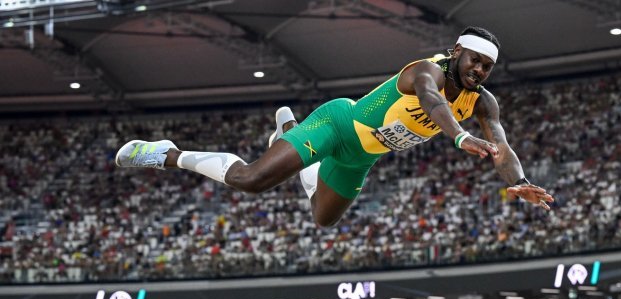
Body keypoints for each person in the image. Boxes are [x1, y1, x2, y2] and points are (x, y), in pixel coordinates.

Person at [115, 27, 554, 228]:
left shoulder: (483, 102)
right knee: (252, 180)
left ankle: (287, 127)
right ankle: (168, 154)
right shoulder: (428, 71)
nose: (479, 70)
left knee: (323, 220)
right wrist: (459, 136)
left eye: (488, 67)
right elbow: (433, 102)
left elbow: (503, 147)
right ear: (457, 52)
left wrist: (520, 181)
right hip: (337, 124)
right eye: (475, 60)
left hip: (360, 157)